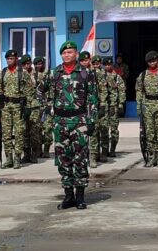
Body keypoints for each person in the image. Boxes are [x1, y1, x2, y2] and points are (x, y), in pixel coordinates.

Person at [51, 41, 98, 210]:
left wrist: (91, 120)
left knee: (80, 158)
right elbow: (41, 92)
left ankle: (80, 197)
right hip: (60, 123)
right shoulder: (55, 73)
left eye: (70, 52)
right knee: (63, 159)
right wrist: (48, 111)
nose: (67, 55)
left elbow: (92, 98)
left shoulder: (85, 73)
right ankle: (68, 195)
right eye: (64, 53)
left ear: (76, 54)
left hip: (79, 122)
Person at [0, 49, 35, 169]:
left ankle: (17, 158)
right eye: (8, 59)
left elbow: (29, 91)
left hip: (19, 107)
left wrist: (28, 106)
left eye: (12, 58)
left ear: (16, 59)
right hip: (6, 107)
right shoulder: (2, 73)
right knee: (5, 134)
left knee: (19, 133)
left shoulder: (23, 73)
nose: (9, 60)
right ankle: (9, 158)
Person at [20, 54, 43, 164]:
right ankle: (26, 154)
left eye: (28, 63)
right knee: (24, 131)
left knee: (34, 131)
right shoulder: (19, 75)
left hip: (34, 106)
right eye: (24, 64)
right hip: (23, 107)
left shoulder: (37, 75)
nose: (27, 66)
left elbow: (44, 90)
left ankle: (34, 154)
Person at [103, 57, 126, 157]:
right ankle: (104, 150)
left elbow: (122, 91)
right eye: (106, 65)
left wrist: (121, 104)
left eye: (109, 65)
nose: (108, 66)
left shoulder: (117, 77)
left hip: (113, 106)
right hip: (103, 106)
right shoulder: (101, 76)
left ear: (112, 65)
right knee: (103, 129)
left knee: (114, 129)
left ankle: (112, 149)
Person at [33, 57, 54, 158]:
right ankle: (38, 149)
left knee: (47, 128)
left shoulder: (50, 74)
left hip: (48, 105)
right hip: (35, 106)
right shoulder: (31, 75)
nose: (39, 66)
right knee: (36, 129)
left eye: (41, 64)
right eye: (37, 64)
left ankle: (46, 150)